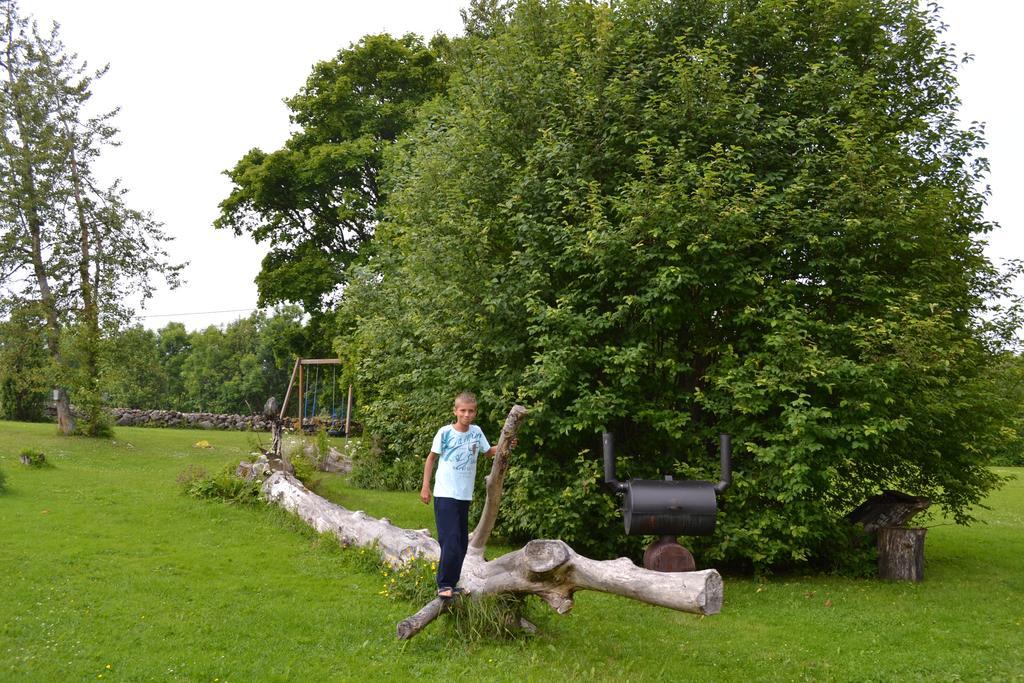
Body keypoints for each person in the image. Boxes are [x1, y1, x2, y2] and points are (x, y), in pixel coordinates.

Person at [420, 391, 508, 599]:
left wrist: (505, 445)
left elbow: (487, 452)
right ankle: (443, 585)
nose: (467, 415)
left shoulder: (476, 432)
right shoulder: (445, 433)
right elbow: (431, 459)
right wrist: (425, 486)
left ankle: (453, 583)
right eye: (463, 411)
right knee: (449, 540)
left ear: (475, 413)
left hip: (464, 495)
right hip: (445, 493)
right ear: (455, 411)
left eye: (471, 411)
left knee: (461, 544)